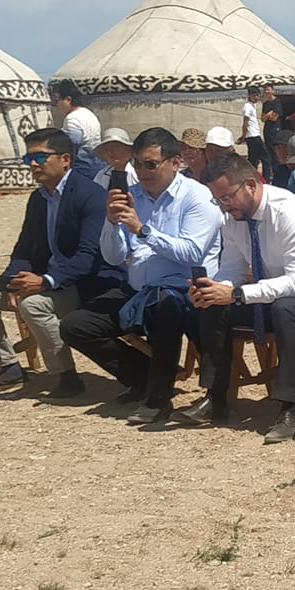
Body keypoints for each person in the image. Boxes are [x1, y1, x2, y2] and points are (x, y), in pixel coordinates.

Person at [173, 153, 295, 443]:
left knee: (287, 308)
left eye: (227, 198)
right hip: (284, 297)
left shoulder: (288, 212)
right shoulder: (234, 217)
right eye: (217, 200)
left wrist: (237, 293)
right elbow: (233, 269)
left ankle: (290, 411)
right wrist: (214, 288)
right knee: (213, 304)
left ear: (250, 185)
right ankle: (216, 398)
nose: (223, 207)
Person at [59, 127, 221, 426]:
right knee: (76, 326)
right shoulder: (133, 196)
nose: (142, 172)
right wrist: (111, 223)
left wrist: (142, 229)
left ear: (175, 163)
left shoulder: (197, 197)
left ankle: (158, 398)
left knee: (163, 306)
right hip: (138, 287)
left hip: (184, 289)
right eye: (137, 164)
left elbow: (192, 253)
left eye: (150, 164)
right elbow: (113, 256)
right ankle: (145, 377)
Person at [0, 126, 115, 398]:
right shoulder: (39, 198)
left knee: (33, 305)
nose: (33, 164)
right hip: (43, 278)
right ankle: (8, 367)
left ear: (65, 159)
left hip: (81, 284)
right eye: (28, 158)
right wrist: (13, 280)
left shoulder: (91, 196)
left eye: (40, 157)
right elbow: (24, 248)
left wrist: (46, 281)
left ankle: (66, 377)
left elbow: (89, 256)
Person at [51, 79, 100, 152]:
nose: (56, 105)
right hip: (95, 156)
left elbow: (73, 144)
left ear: (68, 99)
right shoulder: (89, 114)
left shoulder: (72, 118)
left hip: (80, 158)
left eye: (57, 100)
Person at [241, 85, 269, 171]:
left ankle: (253, 175)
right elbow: (245, 122)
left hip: (253, 136)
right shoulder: (247, 106)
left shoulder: (252, 106)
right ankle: (266, 177)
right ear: (249, 95)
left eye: (257, 95)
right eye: (254, 95)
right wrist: (243, 136)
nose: (256, 97)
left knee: (253, 159)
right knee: (266, 158)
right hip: (253, 136)